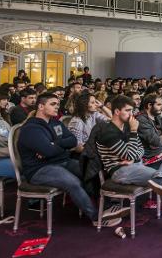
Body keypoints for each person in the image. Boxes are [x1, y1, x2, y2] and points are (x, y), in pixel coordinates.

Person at [18, 92, 126, 227]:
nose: (57, 107)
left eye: (57, 104)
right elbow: (48, 151)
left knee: (91, 169)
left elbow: (73, 141)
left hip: (62, 161)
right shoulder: (31, 128)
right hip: (39, 168)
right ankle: (95, 217)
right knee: (73, 182)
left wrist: (54, 143)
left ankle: (107, 206)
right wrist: (57, 145)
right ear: (40, 106)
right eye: (52, 104)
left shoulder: (56, 123)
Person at [95, 95, 162, 235]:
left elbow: (139, 151)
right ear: (117, 111)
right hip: (120, 171)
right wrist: (134, 133)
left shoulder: (125, 128)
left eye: (132, 110)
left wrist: (131, 154)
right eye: (128, 110)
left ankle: (160, 177)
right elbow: (131, 154)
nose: (131, 114)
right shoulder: (108, 131)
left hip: (136, 165)